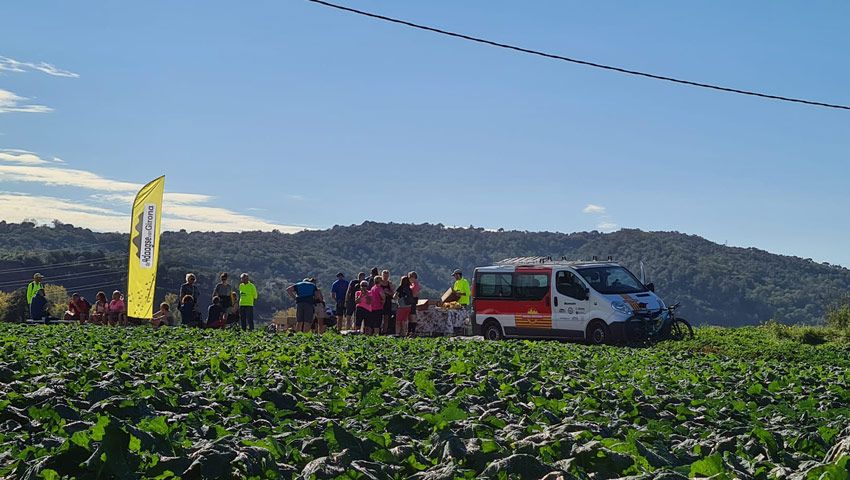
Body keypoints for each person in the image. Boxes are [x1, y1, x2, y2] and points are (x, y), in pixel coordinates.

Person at [408, 271, 421, 336]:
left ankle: (412, 331)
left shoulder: (415, 285)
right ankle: (411, 330)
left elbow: (414, 294)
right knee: (411, 316)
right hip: (413, 300)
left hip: (413, 300)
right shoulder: (414, 284)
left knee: (412, 316)